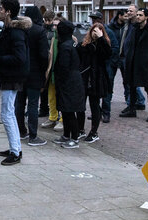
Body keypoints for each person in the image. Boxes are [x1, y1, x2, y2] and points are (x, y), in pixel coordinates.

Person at [0, 0, 31, 166]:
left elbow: (19, 58)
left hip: (12, 78)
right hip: (9, 75)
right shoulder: (9, 29)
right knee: (9, 113)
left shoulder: (15, 32)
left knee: (7, 114)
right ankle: (15, 148)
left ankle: (15, 151)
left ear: (8, 12)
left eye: (1, 8)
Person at [119, 8, 148, 122]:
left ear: (146, 17)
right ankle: (132, 109)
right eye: (137, 15)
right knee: (132, 86)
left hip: (144, 64)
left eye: (140, 15)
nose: (138, 17)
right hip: (132, 62)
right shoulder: (134, 29)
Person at [16, 6, 49, 146]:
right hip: (35, 73)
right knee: (33, 104)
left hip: (20, 72)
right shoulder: (39, 31)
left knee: (19, 102)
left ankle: (20, 131)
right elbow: (43, 55)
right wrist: (44, 71)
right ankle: (33, 135)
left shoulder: (19, 29)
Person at [51, 19, 85, 148]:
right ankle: (66, 135)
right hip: (74, 80)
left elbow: (63, 67)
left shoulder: (65, 46)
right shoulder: (72, 44)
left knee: (69, 111)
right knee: (66, 110)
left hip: (68, 82)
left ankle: (74, 138)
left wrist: (59, 79)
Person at [76, 22, 112, 143]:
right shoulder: (85, 45)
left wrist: (101, 38)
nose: (95, 34)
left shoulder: (103, 44)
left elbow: (107, 54)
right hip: (85, 77)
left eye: (98, 31)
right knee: (80, 105)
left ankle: (94, 132)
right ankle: (80, 129)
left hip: (97, 79)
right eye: (94, 31)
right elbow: (79, 52)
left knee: (94, 105)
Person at [110, 6, 147, 111]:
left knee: (130, 82)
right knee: (128, 81)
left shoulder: (136, 26)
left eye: (131, 11)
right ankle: (133, 102)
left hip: (127, 58)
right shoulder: (126, 25)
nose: (128, 12)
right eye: (128, 11)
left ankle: (135, 102)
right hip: (119, 56)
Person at [90, 12, 118, 122]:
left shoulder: (108, 32)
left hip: (107, 65)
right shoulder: (91, 32)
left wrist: (110, 61)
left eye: (96, 19)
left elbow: (114, 48)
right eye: (93, 19)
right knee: (95, 90)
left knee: (107, 90)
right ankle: (97, 112)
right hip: (96, 66)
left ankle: (106, 113)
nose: (94, 21)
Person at [40, 10, 64, 131]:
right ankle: (53, 116)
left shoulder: (67, 38)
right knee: (51, 95)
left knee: (61, 95)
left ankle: (62, 119)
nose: (53, 27)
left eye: (56, 25)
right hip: (51, 70)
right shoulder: (51, 36)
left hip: (61, 72)